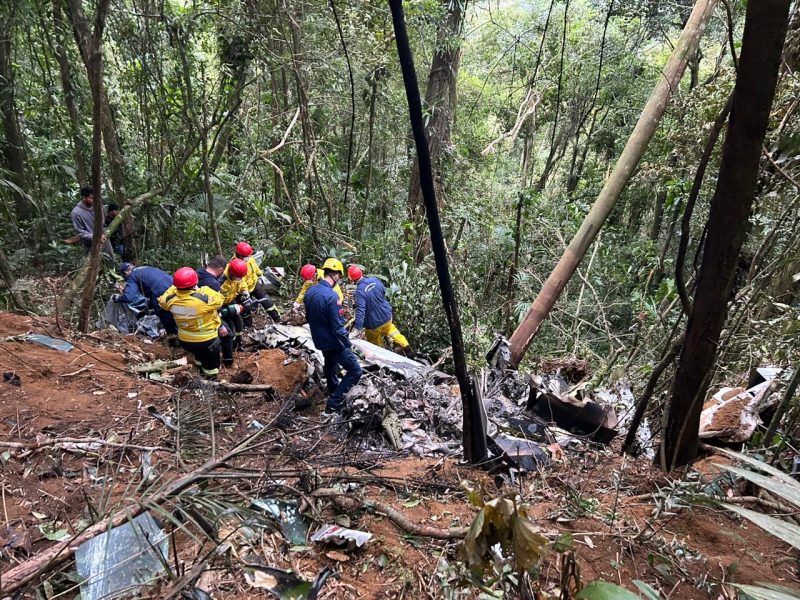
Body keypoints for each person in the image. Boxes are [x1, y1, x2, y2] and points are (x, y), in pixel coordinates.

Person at [304, 258, 362, 413]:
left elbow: (308, 317)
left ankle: (332, 389)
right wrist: (349, 345)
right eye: (339, 277)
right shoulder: (331, 297)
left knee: (330, 365)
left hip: (319, 339)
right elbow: (337, 327)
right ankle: (334, 402)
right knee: (356, 371)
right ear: (336, 275)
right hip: (334, 341)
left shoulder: (310, 291)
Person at [158, 267, 227, 379]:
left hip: (185, 340)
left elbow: (161, 300)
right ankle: (211, 383)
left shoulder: (170, 300)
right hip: (207, 341)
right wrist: (203, 290)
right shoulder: (202, 300)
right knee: (211, 367)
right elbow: (220, 299)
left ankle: (200, 370)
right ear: (195, 283)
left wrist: (175, 287)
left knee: (199, 357)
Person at [348, 264, 410, 352]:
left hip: (373, 325)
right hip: (387, 317)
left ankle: (380, 358)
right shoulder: (374, 279)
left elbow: (360, 311)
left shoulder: (358, 292)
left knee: (375, 345)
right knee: (393, 331)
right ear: (361, 273)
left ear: (351, 278)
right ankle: (407, 348)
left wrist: (357, 329)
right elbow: (383, 292)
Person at [113, 262, 177, 335]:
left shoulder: (132, 276)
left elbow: (128, 297)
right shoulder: (145, 268)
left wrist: (118, 298)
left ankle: (172, 336)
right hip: (174, 286)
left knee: (164, 314)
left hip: (160, 292)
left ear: (125, 273)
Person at [229, 241, 280, 325]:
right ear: (240, 255)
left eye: (249, 255)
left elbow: (255, 267)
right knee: (246, 309)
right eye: (246, 256)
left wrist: (260, 274)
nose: (248, 257)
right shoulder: (234, 264)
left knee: (267, 301)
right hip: (241, 290)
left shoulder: (250, 258)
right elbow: (240, 280)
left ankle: (277, 319)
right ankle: (248, 326)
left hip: (254, 284)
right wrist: (245, 291)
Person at [216, 258, 248, 366]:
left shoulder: (238, 275)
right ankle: (226, 352)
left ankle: (238, 345)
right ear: (231, 272)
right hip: (220, 305)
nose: (239, 279)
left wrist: (245, 291)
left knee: (239, 323)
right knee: (228, 329)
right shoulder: (220, 280)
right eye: (237, 277)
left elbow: (241, 282)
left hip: (231, 300)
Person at [71, 186, 113, 258]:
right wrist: (95, 237)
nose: (94, 200)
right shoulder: (76, 213)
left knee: (109, 260)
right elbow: (80, 231)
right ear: (84, 198)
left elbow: (103, 221)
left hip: (104, 239)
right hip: (90, 245)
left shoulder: (100, 206)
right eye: (91, 198)